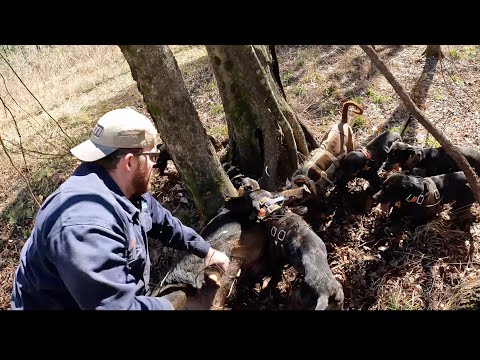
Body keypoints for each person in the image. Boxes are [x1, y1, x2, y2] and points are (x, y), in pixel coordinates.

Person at [11, 108, 230, 310]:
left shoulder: (124, 188)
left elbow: (162, 221)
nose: (155, 164)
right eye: (153, 157)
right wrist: (173, 303)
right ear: (129, 162)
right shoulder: (85, 228)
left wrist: (206, 250)